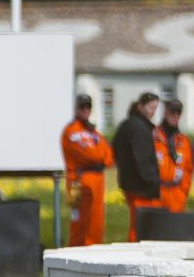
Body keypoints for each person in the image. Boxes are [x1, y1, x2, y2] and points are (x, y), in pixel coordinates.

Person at [59, 93, 114, 245]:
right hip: (78, 182)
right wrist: (101, 155)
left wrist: (101, 155)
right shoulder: (72, 131)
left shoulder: (93, 132)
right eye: (82, 106)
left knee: (96, 224)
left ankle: (93, 255)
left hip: (97, 181)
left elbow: (109, 156)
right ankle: (75, 255)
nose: (85, 110)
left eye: (88, 106)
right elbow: (92, 155)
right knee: (79, 224)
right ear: (76, 108)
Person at [111, 91, 163, 240]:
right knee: (141, 226)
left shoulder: (127, 124)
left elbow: (115, 149)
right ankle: (136, 254)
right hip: (142, 188)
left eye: (155, 108)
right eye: (150, 107)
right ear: (140, 106)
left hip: (130, 184)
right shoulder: (139, 128)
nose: (153, 111)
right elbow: (142, 159)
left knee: (137, 223)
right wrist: (152, 182)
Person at [159, 98, 194, 213]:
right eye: (172, 112)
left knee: (174, 230)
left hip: (176, 194)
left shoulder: (184, 141)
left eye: (178, 112)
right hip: (157, 193)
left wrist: (183, 191)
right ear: (165, 112)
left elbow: (188, 169)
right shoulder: (152, 137)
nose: (175, 115)